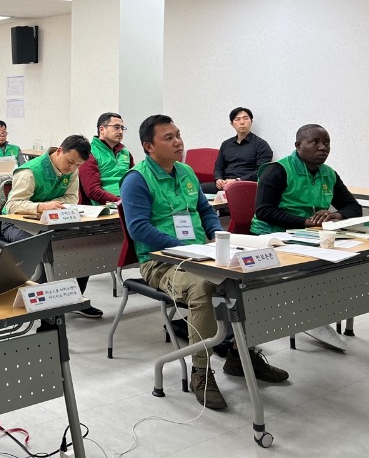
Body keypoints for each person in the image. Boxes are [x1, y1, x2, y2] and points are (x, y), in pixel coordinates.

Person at [120, 114, 288, 410]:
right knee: (203, 287)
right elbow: (139, 229)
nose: (178, 142)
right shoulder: (136, 179)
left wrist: (215, 236)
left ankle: (240, 356)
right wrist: (187, 248)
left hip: (202, 254)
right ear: (148, 146)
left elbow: (206, 211)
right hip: (161, 261)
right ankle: (202, 371)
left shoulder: (185, 172)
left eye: (178, 135)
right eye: (168, 138)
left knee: (251, 277)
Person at [251, 123, 361, 352]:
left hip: (309, 236)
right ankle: (311, 316)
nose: (323, 147)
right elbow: (264, 211)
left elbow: (353, 207)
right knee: (317, 267)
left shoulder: (328, 173)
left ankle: (315, 313)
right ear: (298, 145)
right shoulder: (277, 170)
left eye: (327, 143)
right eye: (316, 142)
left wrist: (336, 214)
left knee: (349, 260)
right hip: (272, 235)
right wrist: (304, 222)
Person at [0, 135, 103, 319]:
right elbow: (13, 205)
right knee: (43, 247)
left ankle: (74, 298)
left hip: (51, 220)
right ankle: (46, 310)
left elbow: (72, 198)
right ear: (59, 151)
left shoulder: (72, 170)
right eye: (70, 162)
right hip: (15, 222)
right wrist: (41, 206)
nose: (72, 169)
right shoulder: (30, 172)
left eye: (77, 165)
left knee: (82, 244)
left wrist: (53, 205)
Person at [212, 107, 273, 191]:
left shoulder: (261, 145)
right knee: (198, 189)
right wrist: (218, 179)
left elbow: (262, 171)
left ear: (251, 122)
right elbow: (218, 167)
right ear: (232, 124)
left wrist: (237, 180)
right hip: (225, 183)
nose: (242, 122)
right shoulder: (226, 144)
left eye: (246, 118)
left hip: (246, 185)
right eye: (237, 119)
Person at [79, 112, 132, 204]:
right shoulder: (90, 152)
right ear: (102, 129)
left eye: (122, 128)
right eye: (116, 127)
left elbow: (134, 180)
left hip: (129, 201)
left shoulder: (126, 153)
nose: (120, 131)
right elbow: (92, 191)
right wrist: (120, 202)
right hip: (106, 207)